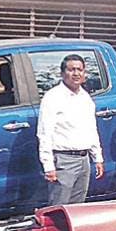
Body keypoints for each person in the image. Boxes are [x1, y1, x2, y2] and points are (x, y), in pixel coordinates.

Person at [37, 53, 105, 206]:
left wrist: (98, 158)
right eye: (71, 70)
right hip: (63, 161)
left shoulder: (85, 98)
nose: (76, 73)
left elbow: (91, 130)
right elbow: (44, 133)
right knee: (59, 207)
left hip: (84, 160)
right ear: (62, 73)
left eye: (80, 70)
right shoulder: (53, 97)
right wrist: (48, 166)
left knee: (77, 210)